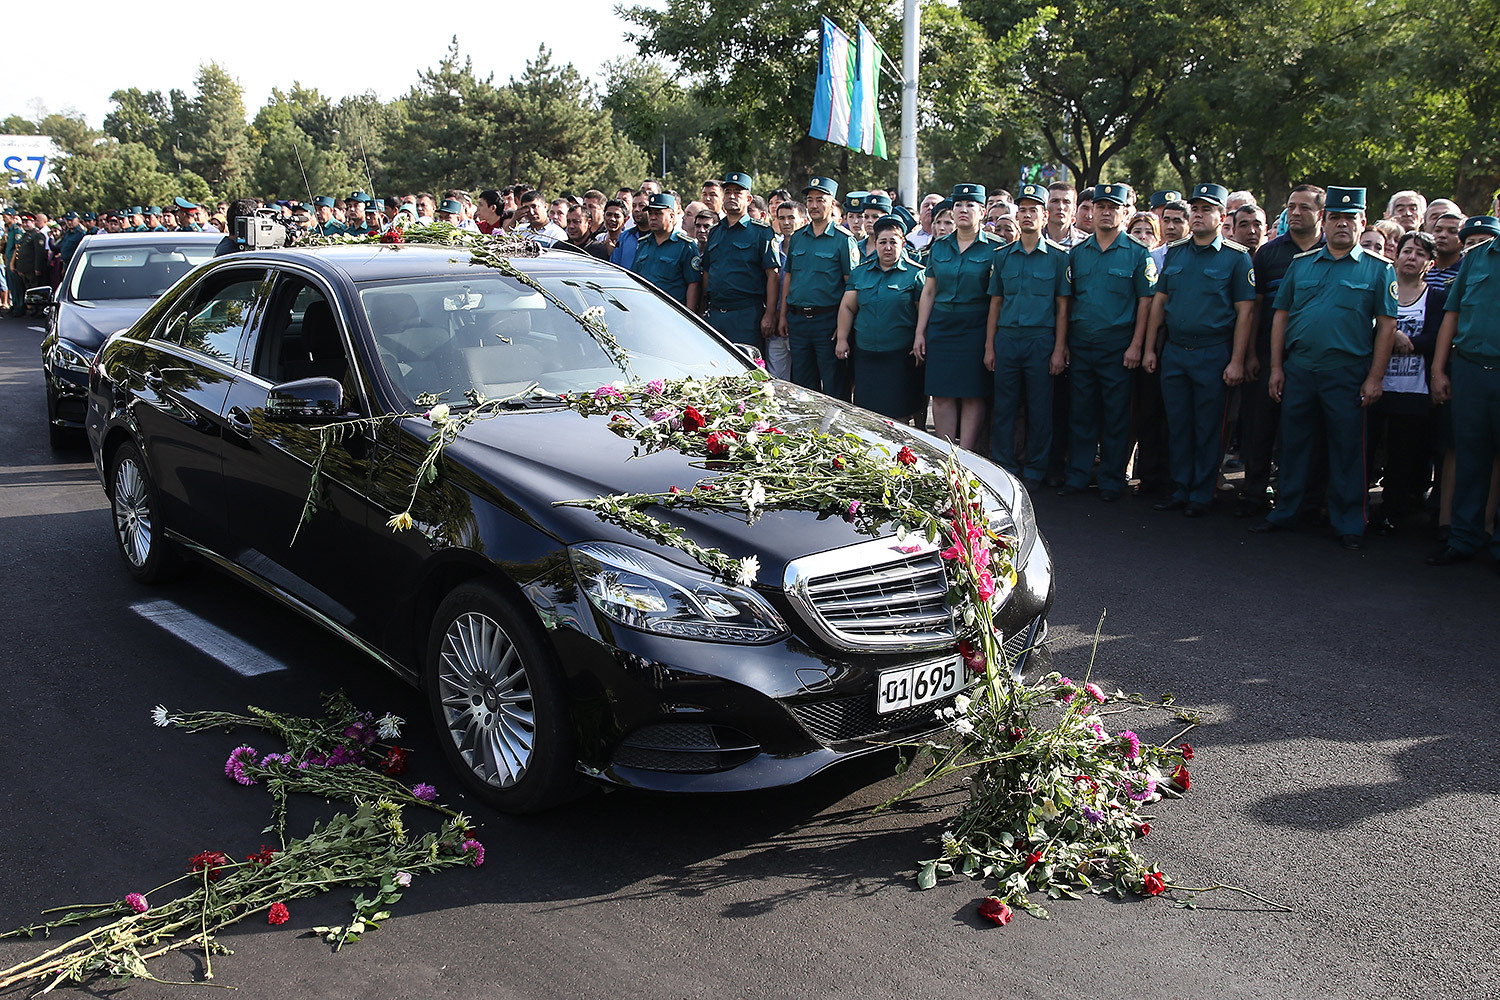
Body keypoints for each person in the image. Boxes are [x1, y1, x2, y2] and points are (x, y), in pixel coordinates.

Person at [1252, 186, 1397, 550]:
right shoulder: (1301, 266)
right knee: (1295, 445)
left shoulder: (1379, 270)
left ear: (1362, 223)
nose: (1341, 225)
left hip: (1346, 372)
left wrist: (1375, 377)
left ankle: (1348, 521)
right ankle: (1288, 511)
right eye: (1335, 218)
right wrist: (1276, 368)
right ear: (1325, 221)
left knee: (1348, 449)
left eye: (1350, 219)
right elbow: (1279, 317)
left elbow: (1387, 327)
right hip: (1300, 368)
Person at [1143, 183, 1254, 515]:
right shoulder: (1175, 252)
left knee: (1208, 427)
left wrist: (1237, 360)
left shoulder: (1236, 258)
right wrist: (1150, 349)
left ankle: (1202, 494)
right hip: (1176, 352)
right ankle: (1180, 489)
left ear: (1222, 216)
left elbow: (1245, 312)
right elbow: (1159, 304)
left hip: (1213, 353)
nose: (1199, 214)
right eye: (1196, 209)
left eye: (1207, 209)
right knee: (1178, 425)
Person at [1059, 183, 1157, 501]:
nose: (1105, 212)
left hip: (1118, 348)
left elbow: (1146, 303)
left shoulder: (1138, 255)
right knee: (1082, 414)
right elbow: (1069, 301)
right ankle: (1078, 475)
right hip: (1083, 344)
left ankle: (1112, 479)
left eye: (1113, 207)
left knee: (1116, 417)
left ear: (1124, 212)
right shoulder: (1077, 254)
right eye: (1100, 206)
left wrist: (1137, 346)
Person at [1238, 184, 1326, 517]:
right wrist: (1249, 354)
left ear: (1320, 214)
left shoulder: (1331, 250)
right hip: (1265, 349)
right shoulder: (1269, 253)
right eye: (1292, 206)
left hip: (1309, 353)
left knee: (1303, 433)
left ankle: (1300, 499)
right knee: (1260, 427)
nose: (1296, 212)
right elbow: (1255, 307)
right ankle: (1254, 492)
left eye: (1304, 207)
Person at [984, 181, 1070, 484]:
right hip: (1007, 338)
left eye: (1034, 210)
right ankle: (1003, 468)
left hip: (1041, 340)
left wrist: (1059, 349)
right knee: (1005, 407)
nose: (1027, 215)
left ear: (1044, 217)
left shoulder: (1059, 257)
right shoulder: (1002, 255)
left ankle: (1035, 470)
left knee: (1039, 409)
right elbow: (995, 303)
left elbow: (1062, 308)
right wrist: (989, 347)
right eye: (1022, 211)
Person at [1429, 211, 1500, 568]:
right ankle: (1462, 539)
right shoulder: (1476, 257)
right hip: (1470, 371)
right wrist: (1440, 369)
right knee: (1470, 460)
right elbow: (1452, 316)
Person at [913, 183, 1000, 450]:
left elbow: (998, 297)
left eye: (970, 205)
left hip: (976, 325)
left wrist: (989, 342)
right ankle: (946, 453)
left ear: (982, 212)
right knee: (942, 392)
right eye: (958, 205)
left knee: (973, 394)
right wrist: (920, 332)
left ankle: (967, 455)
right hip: (942, 324)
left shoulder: (996, 248)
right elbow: (929, 291)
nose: (963, 210)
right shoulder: (939, 247)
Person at [1367, 230, 1444, 531]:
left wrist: (1400, 338)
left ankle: (1392, 513)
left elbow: (1437, 337)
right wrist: (1389, 334)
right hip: (1376, 384)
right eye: (1407, 251)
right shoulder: (1380, 288)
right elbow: (1363, 325)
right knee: (1368, 447)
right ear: (1395, 255)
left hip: (1414, 389)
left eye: (1421, 254)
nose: (1412, 257)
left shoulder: (1436, 297)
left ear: (1430, 263)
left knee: (1403, 455)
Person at [835, 214, 925, 422]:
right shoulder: (861, 273)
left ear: (902, 243)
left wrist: (920, 339)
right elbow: (848, 306)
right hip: (866, 355)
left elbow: (923, 313)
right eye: (882, 242)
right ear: (875, 243)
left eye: (893, 242)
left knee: (899, 414)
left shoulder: (916, 274)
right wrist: (841, 339)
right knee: (867, 415)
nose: (887, 247)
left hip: (900, 356)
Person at [780, 176, 859, 397]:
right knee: (803, 386)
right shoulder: (797, 237)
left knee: (834, 383)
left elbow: (851, 285)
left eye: (820, 200)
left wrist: (843, 326)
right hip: (798, 321)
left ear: (832, 203)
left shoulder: (843, 240)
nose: (814, 205)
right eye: (810, 200)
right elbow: (789, 277)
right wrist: (783, 316)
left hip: (828, 321)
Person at [701, 171, 778, 355]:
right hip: (716, 313)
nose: (732, 196)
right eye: (728, 192)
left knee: (747, 371)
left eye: (738, 192)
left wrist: (770, 314)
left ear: (749, 198)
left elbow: (772, 275)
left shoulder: (761, 232)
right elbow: (707, 272)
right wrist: (704, 308)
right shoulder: (715, 231)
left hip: (746, 314)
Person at [630, 193, 702, 312]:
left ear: (672, 216)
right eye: (650, 213)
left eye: (658, 213)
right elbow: (635, 279)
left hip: (671, 314)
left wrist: (689, 317)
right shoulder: (644, 244)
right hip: (643, 310)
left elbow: (693, 284)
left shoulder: (686, 246)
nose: (652, 217)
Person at [1427, 212, 1465, 289]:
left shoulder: (1466, 271)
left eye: (1452, 232)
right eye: (1438, 230)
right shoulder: (1422, 266)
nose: (1442, 235)